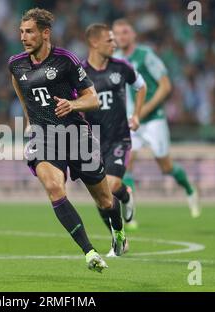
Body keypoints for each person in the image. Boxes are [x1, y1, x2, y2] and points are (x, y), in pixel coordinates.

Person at [8, 8, 127, 272]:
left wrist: (72, 105)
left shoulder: (66, 60)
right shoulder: (16, 64)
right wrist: (30, 122)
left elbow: (93, 99)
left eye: (29, 32)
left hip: (75, 136)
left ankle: (118, 232)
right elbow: (21, 92)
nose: (23, 37)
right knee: (54, 188)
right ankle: (89, 252)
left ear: (45, 33)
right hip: (45, 138)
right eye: (21, 32)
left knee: (105, 201)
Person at [112, 19, 201, 229]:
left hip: (153, 120)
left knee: (166, 166)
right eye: (117, 33)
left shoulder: (146, 56)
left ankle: (189, 188)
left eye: (125, 32)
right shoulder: (114, 60)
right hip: (130, 122)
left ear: (133, 35)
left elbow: (165, 86)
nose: (121, 37)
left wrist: (143, 110)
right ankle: (130, 214)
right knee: (127, 163)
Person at [82, 23, 146, 256]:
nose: (114, 43)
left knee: (111, 186)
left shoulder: (122, 67)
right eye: (109, 40)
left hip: (119, 137)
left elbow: (141, 86)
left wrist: (137, 114)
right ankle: (118, 238)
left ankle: (125, 195)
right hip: (92, 142)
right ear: (94, 43)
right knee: (101, 199)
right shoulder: (79, 72)